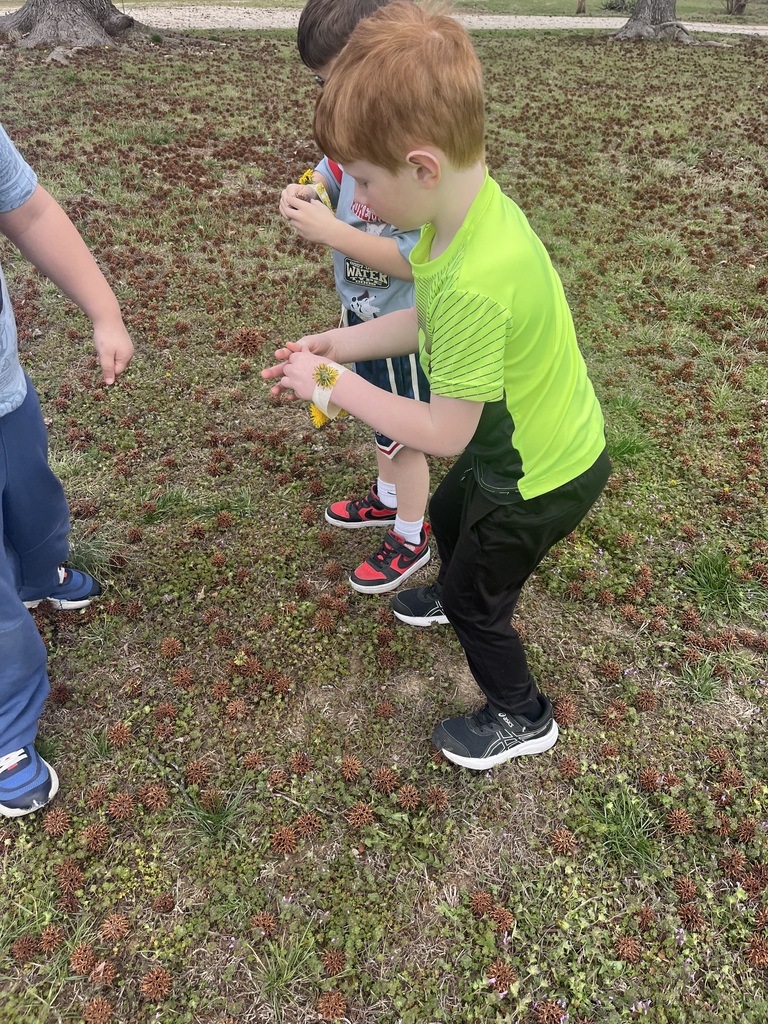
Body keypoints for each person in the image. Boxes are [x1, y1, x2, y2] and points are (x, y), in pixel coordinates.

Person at [263, 2, 611, 771]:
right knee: (451, 512)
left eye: (364, 182)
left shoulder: (481, 276)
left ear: (421, 166)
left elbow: (445, 433)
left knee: (476, 604)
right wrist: (339, 344)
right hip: (512, 452)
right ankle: (449, 583)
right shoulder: (452, 219)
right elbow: (423, 316)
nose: (359, 202)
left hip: (542, 474)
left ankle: (520, 714)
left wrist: (330, 383)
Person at [0, 122, 134, 816]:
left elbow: (30, 209)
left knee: (34, 503)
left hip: (4, 394)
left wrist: (103, 309)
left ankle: (38, 574)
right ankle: (6, 734)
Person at [278, 0, 432, 595]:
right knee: (371, 412)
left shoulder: (415, 157)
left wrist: (332, 232)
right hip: (360, 312)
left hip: (401, 322)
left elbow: (417, 262)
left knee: (405, 432)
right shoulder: (355, 138)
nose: (328, 95)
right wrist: (311, 187)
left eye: (336, 79)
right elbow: (333, 169)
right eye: (321, 83)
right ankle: (387, 496)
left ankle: (412, 532)